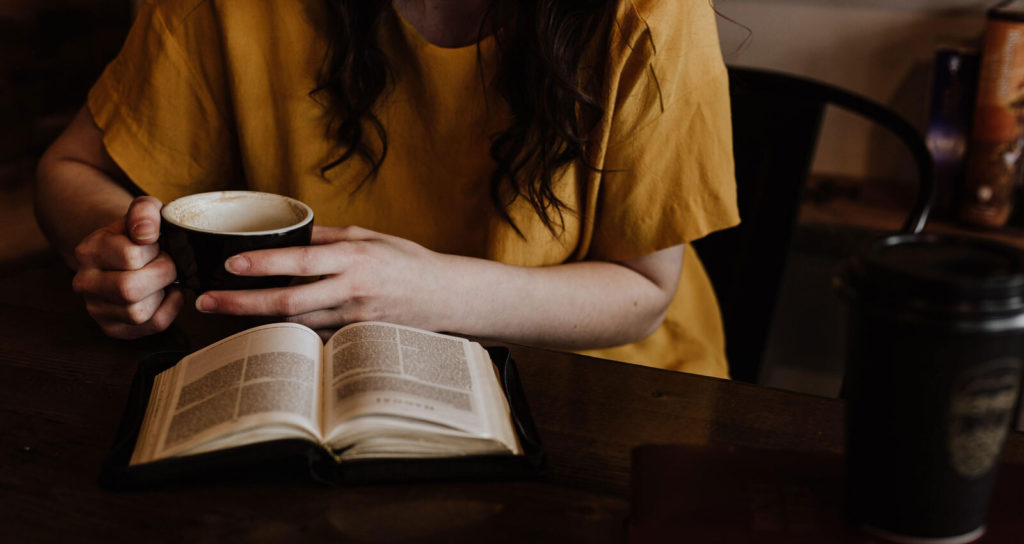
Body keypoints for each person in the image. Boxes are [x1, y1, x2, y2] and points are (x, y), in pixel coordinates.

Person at [34, 0, 738, 378]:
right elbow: (69, 171)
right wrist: (118, 249)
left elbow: (644, 292)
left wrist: (424, 294)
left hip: (593, 387)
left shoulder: (651, 13)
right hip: (292, 377)